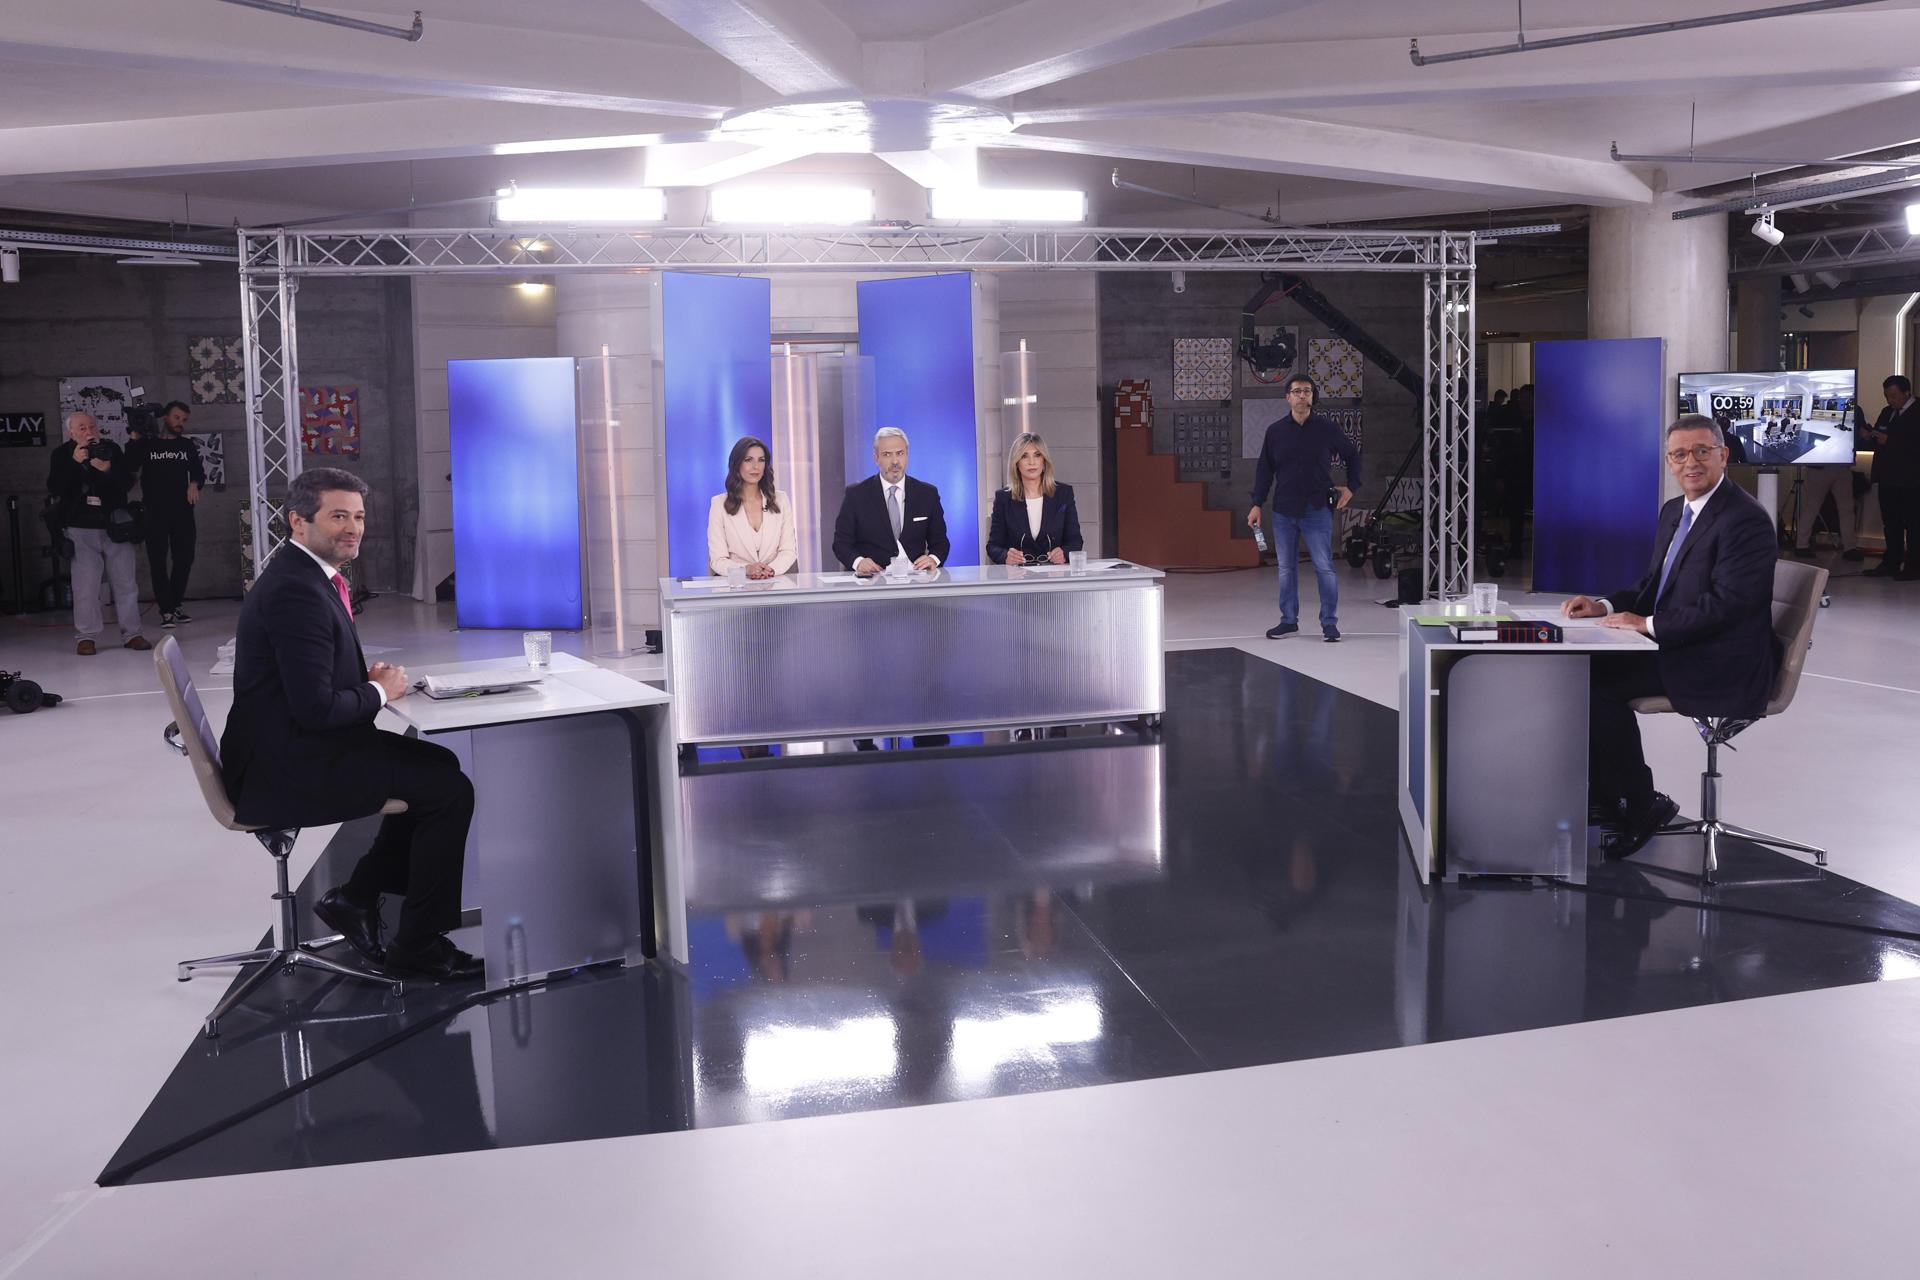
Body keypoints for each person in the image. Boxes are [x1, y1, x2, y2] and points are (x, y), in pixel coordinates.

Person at [219, 468, 480, 981]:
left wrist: (368, 682)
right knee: (448, 789)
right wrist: (381, 691)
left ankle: (357, 899)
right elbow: (315, 710)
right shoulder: (296, 592)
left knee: (439, 765)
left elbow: (309, 682)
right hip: (286, 766)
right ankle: (417, 944)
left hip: (291, 746)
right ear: (298, 521)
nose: (353, 528)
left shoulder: (307, 576)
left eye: (358, 517)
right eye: (338, 516)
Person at [1561, 414, 1777, 860]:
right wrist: (1604, 606)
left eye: (1701, 451)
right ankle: (1606, 799)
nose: (1690, 462)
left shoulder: (1745, 520)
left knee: (1599, 687)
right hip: (1682, 644)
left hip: (1720, 660)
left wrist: (1647, 625)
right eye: (1680, 454)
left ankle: (1641, 804)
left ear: (1723, 455)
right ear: (1668, 462)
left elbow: (1727, 606)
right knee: (1578, 670)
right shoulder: (1675, 511)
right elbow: (1652, 586)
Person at [1247, 373, 1361, 642]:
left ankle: (1329, 623)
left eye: (1307, 391)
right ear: (1287, 397)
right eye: (1297, 391)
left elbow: (1352, 455)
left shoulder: (1327, 429)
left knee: (1324, 567)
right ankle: (1288, 621)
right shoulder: (1275, 431)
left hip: (1317, 508)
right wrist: (1256, 504)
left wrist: (1352, 487)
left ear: (1313, 397)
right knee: (1286, 569)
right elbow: (1264, 470)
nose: (1302, 395)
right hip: (1283, 510)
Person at [46, 411, 149, 656]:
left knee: (126, 583)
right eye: (82, 428)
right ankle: (86, 636)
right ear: (71, 432)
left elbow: (127, 483)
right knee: (85, 587)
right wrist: (74, 463)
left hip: (115, 525)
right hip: (80, 527)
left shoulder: (111, 449)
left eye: (91, 426)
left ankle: (132, 633)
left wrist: (108, 469)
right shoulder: (61, 454)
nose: (88, 431)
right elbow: (56, 488)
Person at [832, 426, 949, 576]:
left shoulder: (927, 494)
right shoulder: (856, 495)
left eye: (900, 453)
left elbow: (940, 542)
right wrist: (858, 562)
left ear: (907, 455)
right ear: (876, 458)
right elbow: (841, 543)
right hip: (871, 581)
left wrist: (933, 559)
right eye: (887, 454)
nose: (895, 461)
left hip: (915, 581)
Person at [127, 400, 204, 626]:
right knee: (157, 561)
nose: (180, 423)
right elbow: (131, 465)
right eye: (177, 417)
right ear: (165, 418)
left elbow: (198, 472)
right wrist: (135, 438)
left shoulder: (186, 445)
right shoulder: (148, 444)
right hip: (154, 512)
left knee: (184, 558)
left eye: (184, 420)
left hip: (183, 512)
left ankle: (176, 604)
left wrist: (194, 483)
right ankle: (166, 610)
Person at [986, 432, 1082, 566]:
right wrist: (1006, 556)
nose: (1032, 462)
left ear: (1044, 461)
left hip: (1054, 573)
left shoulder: (1063, 494)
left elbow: (1075, 541)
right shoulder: (1004, 498)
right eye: (1024, 456)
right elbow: (993, 546)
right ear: (1016, 463)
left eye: (1037, 455)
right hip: (1018, 574)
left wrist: (1064, 553)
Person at [707, 436, 797, 578]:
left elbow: (788, 551)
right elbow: (718, 560)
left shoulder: (781, 500)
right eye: (748, 460)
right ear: (737, 464)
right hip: (737, 585)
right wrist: (746, 569)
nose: (756, 466)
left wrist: (769, 570)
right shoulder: (719, 504)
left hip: (774, 584)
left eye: (761, 460)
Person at [1861, 375, 1919, 579]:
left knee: (1914, 524)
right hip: (1888, 477)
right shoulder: (1887, 412)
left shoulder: (1917, 411)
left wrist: (1890, 442)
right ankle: (1891, 562)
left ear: (1906, 393)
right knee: (1891, 523)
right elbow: (1879, 437)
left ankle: (1914, 566)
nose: (1890, 400)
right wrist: (1869, 436)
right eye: (1887, 396)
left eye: (1894, 396)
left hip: (1912, 480)